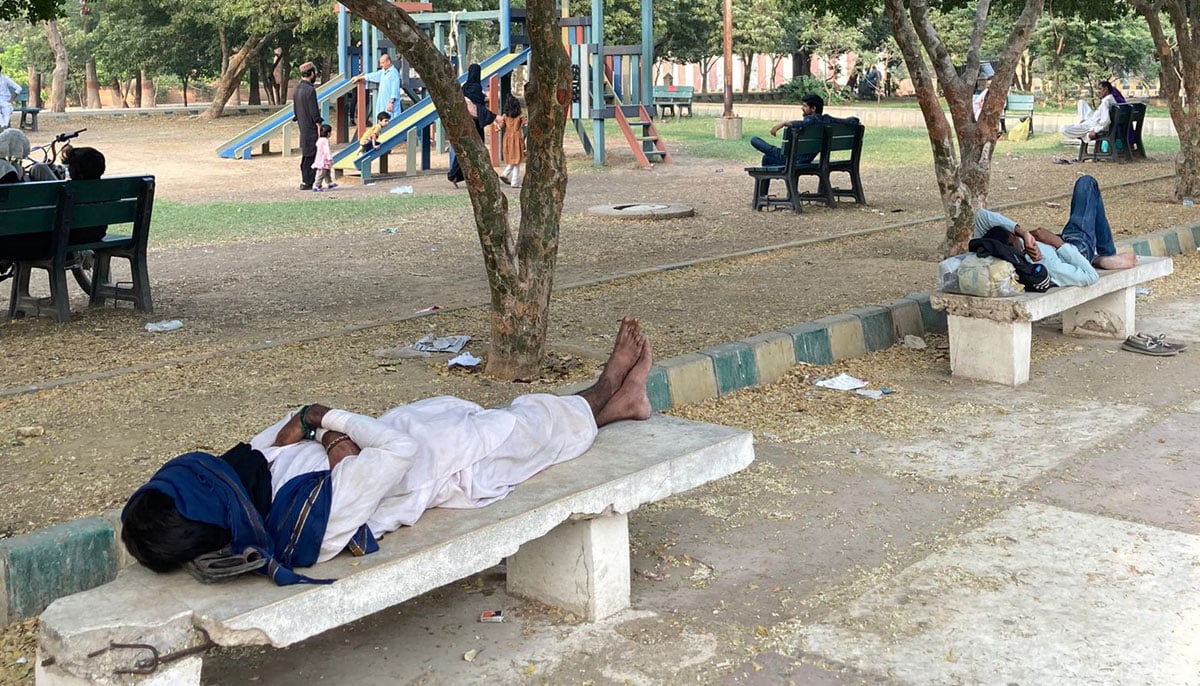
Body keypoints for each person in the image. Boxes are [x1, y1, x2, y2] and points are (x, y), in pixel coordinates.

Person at [119, 318, 655, 585]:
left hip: (412, 430)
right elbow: (389, 450)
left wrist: (325, 436)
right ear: (215, 508)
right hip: (455, 464)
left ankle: (623, 401)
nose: (206, 464)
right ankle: (610, 386)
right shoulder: (308, 526)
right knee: (536, 423)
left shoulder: (246, 485)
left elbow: (288, 425)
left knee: (526, 417)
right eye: (200, 479)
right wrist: (326, 425)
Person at [971, 175, 1136, 288]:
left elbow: (982, 216)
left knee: (1090, 204)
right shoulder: (1043, 262)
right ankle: (1102, 255)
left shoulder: (988, 253)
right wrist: (1054, 241)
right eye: (1016, 239)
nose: (1019, 238)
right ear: (1013, 245)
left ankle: (1101, 256)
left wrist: (1024, 234)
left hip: (1057, 245)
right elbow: (1090, 277)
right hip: (1074, 248)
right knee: (1086, 184)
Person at [447, 63, 494, 187]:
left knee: (465, 150)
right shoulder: (477, 87)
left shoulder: (465, 87)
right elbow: (478, 105)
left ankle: (454, 174)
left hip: (464, 123)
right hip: (476, 124)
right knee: (478, 148)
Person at [750, 93, 829, 167]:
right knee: (767, 158)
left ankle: (784, 179)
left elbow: (805, 122)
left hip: (794, 159)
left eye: (805, 106)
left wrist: (783, 123)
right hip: (806, 159)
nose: (802, 108)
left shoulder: (810, 121)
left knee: (754, 140)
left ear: (813, 108)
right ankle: (788, 180)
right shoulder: (824, 121)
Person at [1061, 80, 1125, 141]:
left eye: (1100, 89)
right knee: (1081, 102)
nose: (1098, 91)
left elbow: (1106, 120)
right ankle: (1083, 125)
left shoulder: (1106, 102)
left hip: (1092, 125)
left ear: (1106, 89)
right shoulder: (1111, 100)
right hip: (1092, 120)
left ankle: (1086, 135)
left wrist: (1095, 130)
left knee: (1063, 129)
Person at [292, 62, 322, 191]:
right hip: (310, 127)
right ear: (312, 73)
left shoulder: (297, 89)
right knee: (311, 155)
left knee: (306, 154)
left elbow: (295, 111)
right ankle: (308, 181)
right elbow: (314, 111)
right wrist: (319, 125)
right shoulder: (310, 90)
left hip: (302, 126)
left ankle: (306, 180)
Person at [351, 52, 402, 118]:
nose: (381, 65)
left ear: (388, 62)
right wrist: (359, 77)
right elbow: (374, 75)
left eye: (383, 63)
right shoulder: (383, 72)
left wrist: (391, 102)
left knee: (391, 119)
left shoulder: (394, 73)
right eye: (380, 63)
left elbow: (395, 88)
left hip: (389, 102)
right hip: (382, 100)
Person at [495, 95, 526, 188]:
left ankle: (506, 175)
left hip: (507, 138)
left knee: (513, 159)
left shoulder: (505, 116)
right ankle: (513, 181)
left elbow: (500, 126)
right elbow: (526, 123)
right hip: (517, 138)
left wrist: (496, 126)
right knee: (517, 160)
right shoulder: (520, 116)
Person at [311, 123, 336, 192]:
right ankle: (316, 185)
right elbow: (326, 150)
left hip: (320, 159)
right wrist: (329, 158)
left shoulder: (320, 140)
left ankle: (329, 182)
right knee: (322, 173)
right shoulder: (325, 141)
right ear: (328, 133)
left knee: (327, 172)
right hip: (324, 160)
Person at [0, 66, 20, 130]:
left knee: (7, 109)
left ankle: (4, 126)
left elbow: (18, 88)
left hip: (5, 101)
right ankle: (4, 126)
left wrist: (12, 99)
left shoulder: (5, 79)